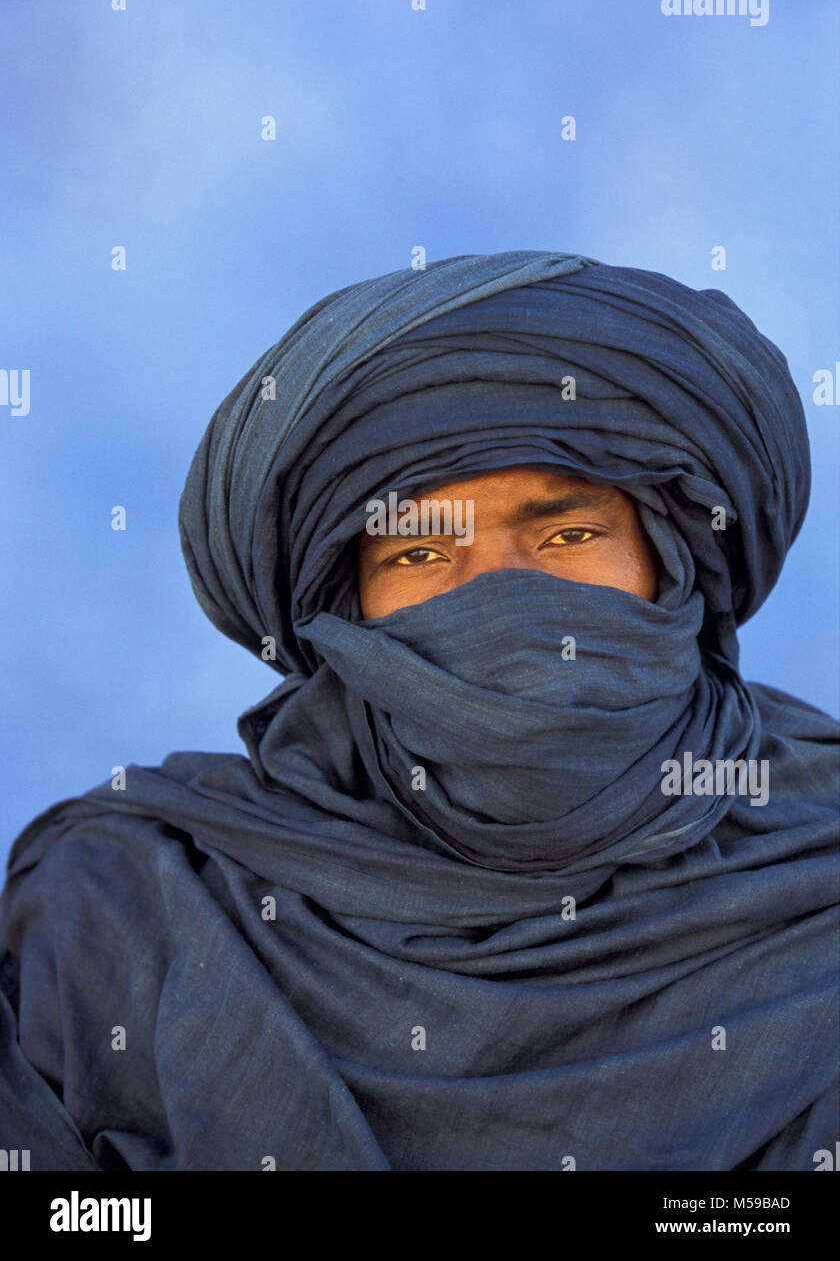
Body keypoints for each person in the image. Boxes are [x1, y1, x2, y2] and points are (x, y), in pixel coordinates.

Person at [0, 250, 837, 1171]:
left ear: (675, 567)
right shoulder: (125, 912)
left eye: (567, 534)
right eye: (421, 556)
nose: (502, 598)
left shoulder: (820, 880)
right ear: (344, 613)